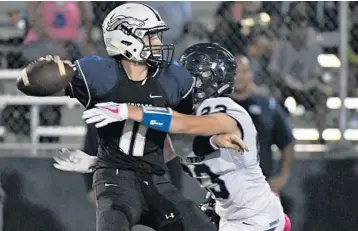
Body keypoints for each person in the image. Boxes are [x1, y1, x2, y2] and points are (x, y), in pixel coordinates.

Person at [18, 4, 243, 231]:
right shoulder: (99, 74)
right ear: (125, 39)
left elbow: (180, 136)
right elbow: (34, 82)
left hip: (156, 179)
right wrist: (51, 71)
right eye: (151, 36)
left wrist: (211, 141)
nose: (158, 42)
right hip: (115, 182)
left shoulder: (172, 78)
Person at [57, 43, 286, 231]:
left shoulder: (225, 109)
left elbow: (187, 125)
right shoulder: (185, 118)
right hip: (229, 215)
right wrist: (98, 164)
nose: (181, 81)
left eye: (190, 76)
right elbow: (148, 161)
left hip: (256, 217)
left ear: (210, 79)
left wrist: (130, 110)